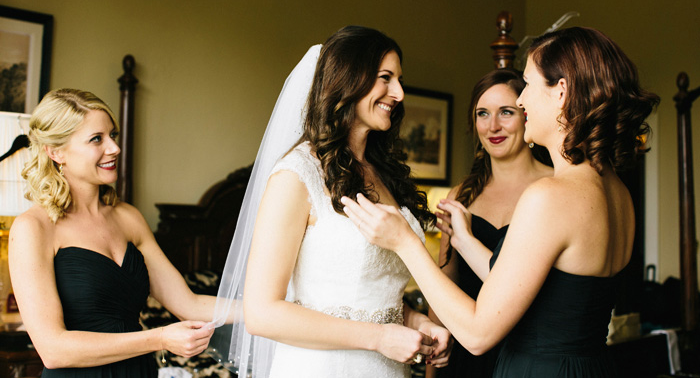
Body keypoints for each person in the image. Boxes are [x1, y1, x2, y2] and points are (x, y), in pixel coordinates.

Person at [343, 27, 660, 377]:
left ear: (561, 92)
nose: (521, 101)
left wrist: (404, 242)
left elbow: (478, 335)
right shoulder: (618, 192)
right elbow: (543, 292)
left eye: (527, 86)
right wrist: (463, 240)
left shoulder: (550, 197)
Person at [210, 26, 451, 378]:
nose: (398, 93)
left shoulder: (385, 174)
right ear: (349, 79)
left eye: (399, 80)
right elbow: (262, 313)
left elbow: (370, 293)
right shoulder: (296, 175)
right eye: (385, 78)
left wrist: (416, 322)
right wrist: (379, 337)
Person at [9, 89, 215, 377]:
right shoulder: (33, 228)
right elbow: (53, 350)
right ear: (56, 152)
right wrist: (159, 338)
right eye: (97, 139)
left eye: (113, 135)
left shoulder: (128, 217)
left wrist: (270, 307)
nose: (115, 148)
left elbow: (189, 304)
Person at [425, 68, 552, 378]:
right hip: (466, 358)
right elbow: (446, 285)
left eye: (505, 112)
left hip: (528, 355)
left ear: (526, 115)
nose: (493, 125)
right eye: (483, 113)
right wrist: (431, 368)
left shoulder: (553, 189)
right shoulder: (462, 196)